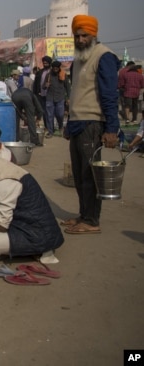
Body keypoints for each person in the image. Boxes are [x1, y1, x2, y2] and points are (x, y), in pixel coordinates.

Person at [61, 14, 120, 235]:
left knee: (89, 175)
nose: (80, 39)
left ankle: (92, 220)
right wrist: (68, 123)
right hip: (76, 123)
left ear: (93, 35)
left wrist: (112, 128)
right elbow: (76, 94)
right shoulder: (78, 59)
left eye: (84, 35)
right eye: (77, 36)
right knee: (79, 174)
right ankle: (83, 215)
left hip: (93, 123)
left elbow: (109, 95)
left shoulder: (104, 56)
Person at [45, 60, 71, 135]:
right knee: (50, 116)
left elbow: (68, 87)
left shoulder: (63, 75)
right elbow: (44, 86)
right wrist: (45, 85)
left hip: (60, 98)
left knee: (60, 114)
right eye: (54, 68)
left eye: (57, 68)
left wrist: (68, 98)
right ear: (52, 68)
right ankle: (50, 131)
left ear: (59, 68)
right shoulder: (49, 75)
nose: (55, 69)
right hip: (50, 98)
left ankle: (60, 126)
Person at [34, 56, 53, 137]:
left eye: (46, 63)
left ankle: (50, 127)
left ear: (49, 63)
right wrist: (36, 93)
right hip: (41, 95)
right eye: (44, 63)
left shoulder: (53, 72)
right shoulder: (39, 72)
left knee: (50, 112)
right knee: (44, 112)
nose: (45, 64)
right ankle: (47, 127)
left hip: (51, 95)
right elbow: (35, 84)